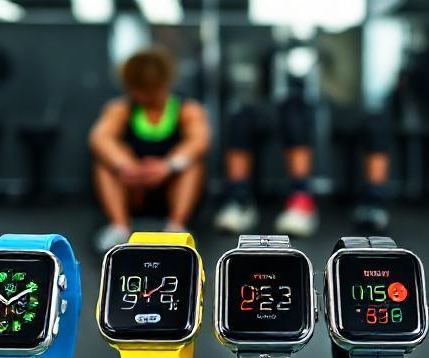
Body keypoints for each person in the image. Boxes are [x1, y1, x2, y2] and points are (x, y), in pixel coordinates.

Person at [89, 47, 210, 253]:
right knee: (105, 163)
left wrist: (168, 166)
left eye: (148, 89)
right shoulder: (120, 109)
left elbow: (200, 141)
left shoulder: (187, 110)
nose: (143, 94)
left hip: (169, 189)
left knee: (192, 164)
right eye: (138, 88)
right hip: (133, 188)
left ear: (163, 83)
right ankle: (119, 226)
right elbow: (99, 138)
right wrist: (125, 165)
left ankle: (176, 228)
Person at [214, 88, 319, 236]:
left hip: (293, 99)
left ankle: (301, 200)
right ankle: (239, 201)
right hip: (260, 99)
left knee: (295, 116)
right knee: (240, 118)